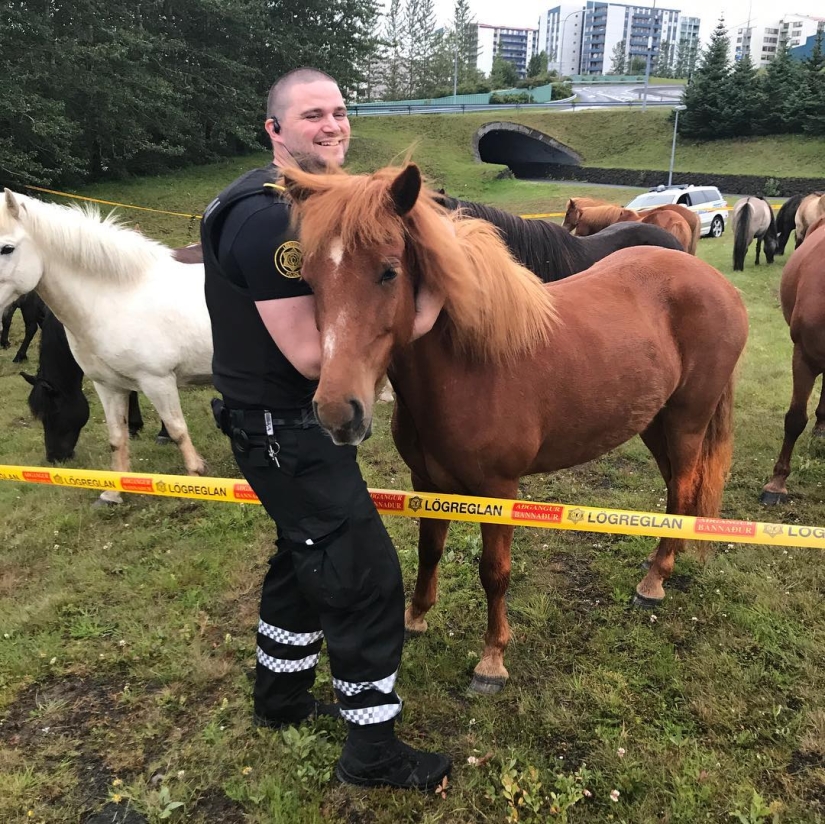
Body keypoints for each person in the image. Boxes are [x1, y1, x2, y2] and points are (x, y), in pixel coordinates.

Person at [200, 67, 451, 791]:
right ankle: (372, 752)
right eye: (312, 114)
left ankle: (279, 698)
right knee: (363, 576)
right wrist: (432, 303)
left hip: (271, 427)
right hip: (284, 431)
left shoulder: (292, 200)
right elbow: (315, 358)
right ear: (275, 129)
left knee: (303, 555)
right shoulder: (269, 220)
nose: (333, 124)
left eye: (339, 111)